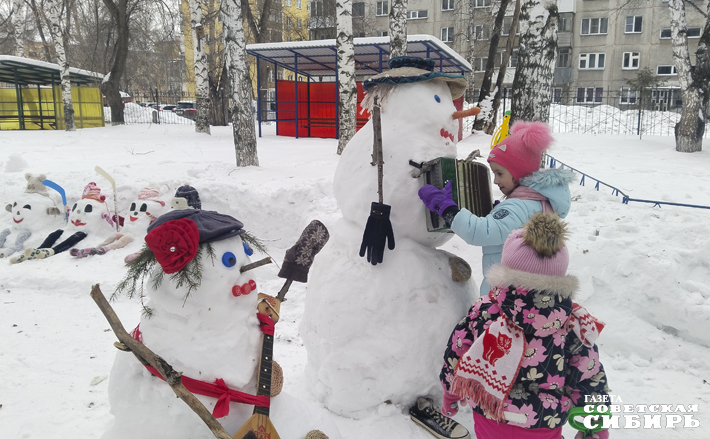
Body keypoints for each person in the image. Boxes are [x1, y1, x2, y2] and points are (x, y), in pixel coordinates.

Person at [439, 212, 610, 439]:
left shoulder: (485, 310)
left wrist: (451, 393)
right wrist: (595, 425)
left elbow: (457, 352)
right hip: (542, 423)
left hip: (489, 413)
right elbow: (589, 375)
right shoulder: (572, 324)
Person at [418, 120, 575, 297]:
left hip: (503, 299)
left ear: (519, 174)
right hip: (525, 298)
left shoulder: (517, 207)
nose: (495, 181)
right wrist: (497, 214)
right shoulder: (540, 204)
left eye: (500, 173)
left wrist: (446, 208)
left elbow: (480, 232)